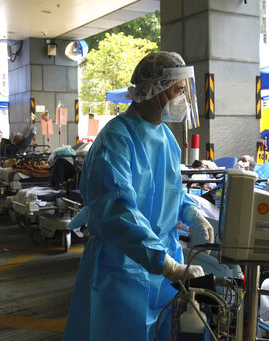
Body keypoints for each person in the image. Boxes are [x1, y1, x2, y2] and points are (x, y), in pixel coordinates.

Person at [64, 51, 214, 341]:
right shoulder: (115, 140)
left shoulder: (166, 137)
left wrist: (189, 210)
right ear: (153, 89)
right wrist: (167, 265)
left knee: (164, 330)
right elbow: (117, 212)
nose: (182, 99)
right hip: (121, 265)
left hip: (161, 258)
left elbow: (169, 189)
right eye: (178, 91)